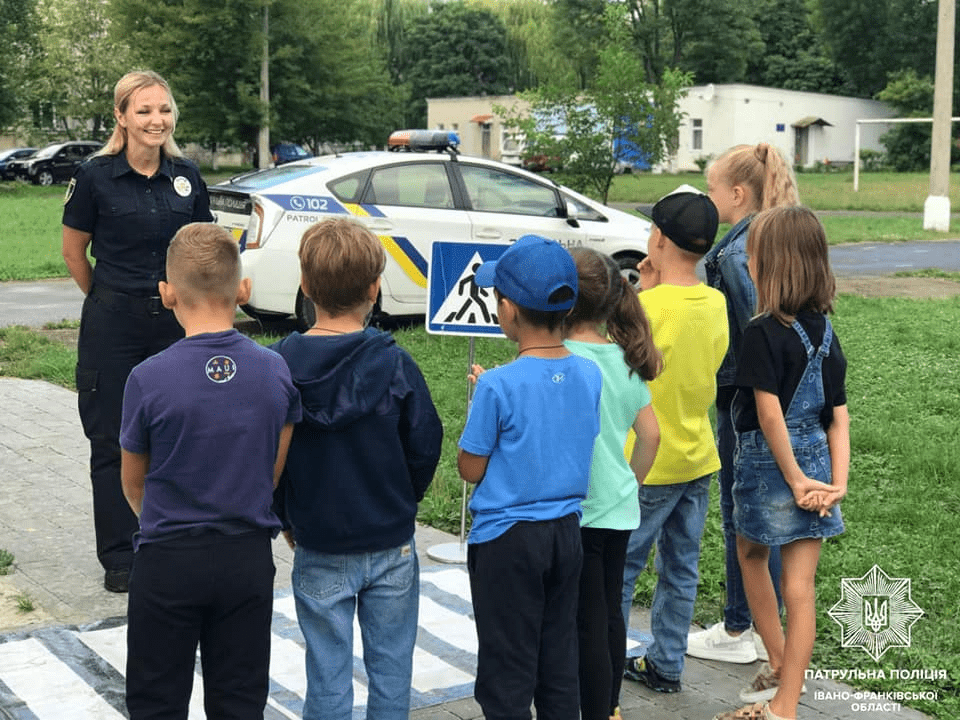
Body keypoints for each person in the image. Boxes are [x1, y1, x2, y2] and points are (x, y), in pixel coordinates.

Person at [119, 223, 300, 719]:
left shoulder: (147, 378)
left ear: (167, 293)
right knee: (240, 699)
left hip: (167, 559)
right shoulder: (273, 370)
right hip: (244, 557)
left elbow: (133, 482)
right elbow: (273, 470)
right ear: (243, 290)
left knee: (156, 699)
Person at [271, 218, 443, 720]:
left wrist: (285, 516)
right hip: (389, 541)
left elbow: (269, 456)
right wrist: (401, 501)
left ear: (305, 286)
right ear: (375, 288)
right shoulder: (395, 364)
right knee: (392, 672)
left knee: (326, 674)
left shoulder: (279, 366)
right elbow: (424, 443)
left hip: (318, 542)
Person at [62, 69, 213, 593]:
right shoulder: (94, 176)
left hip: (175, 325)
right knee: (111, 439)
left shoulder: (188, 176)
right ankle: (120, 556)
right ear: (121, 117)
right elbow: (73, 252)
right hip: (113, 325)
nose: (157, 120)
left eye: (164, 109)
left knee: (180, 434)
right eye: (144, 110)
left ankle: (173, 540)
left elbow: (202, 248)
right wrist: (109, 300)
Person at [457, 235, 602, 720]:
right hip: (566, 534)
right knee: (557, 660)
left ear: (510, 310)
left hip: (506, 542)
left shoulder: (497, 384)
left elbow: (469, 467)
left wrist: (482, 408)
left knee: (507, 667)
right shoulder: (590, 374)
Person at [713, 206, 847, 720]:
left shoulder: (761, 332)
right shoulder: (827, 335)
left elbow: (767, 414)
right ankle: (784, 693)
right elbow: (840, 418)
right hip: (816, 461)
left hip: (773, 467)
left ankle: (779, 679)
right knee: (801, 587)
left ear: (773, 266)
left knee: (750, 552)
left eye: (752, 258)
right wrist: (836, 483)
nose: (747, 265)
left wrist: (793, 479)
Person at [690, 142, 800, 663]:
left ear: (736, 194)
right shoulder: (772, 236)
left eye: (712, 191)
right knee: (763, 513)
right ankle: (756, 626)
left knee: (743, 514)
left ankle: (742, 630)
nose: (709, 201)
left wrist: (757, 397)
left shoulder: (738, 252)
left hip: (746, 398)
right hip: (769, 396)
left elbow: (760, 329)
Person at [619, 188, 728, 694]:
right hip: (699, 456)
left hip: (647, 463)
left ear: (658, 238)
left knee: (620, 569)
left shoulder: (646, 306)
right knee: (681, 569)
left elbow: (626, 362)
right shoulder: (717, 303)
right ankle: (666, 665)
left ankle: (601, 660)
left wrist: (643, 292)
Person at [563, 248, 661, 720]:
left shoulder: (561, 361)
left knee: (583, 619)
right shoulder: (624, 362)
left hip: (576, 511)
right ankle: (613, 705)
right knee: (608, 611)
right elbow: (651, 435)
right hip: (619, 509)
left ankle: (593, 708)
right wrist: (631, 483)